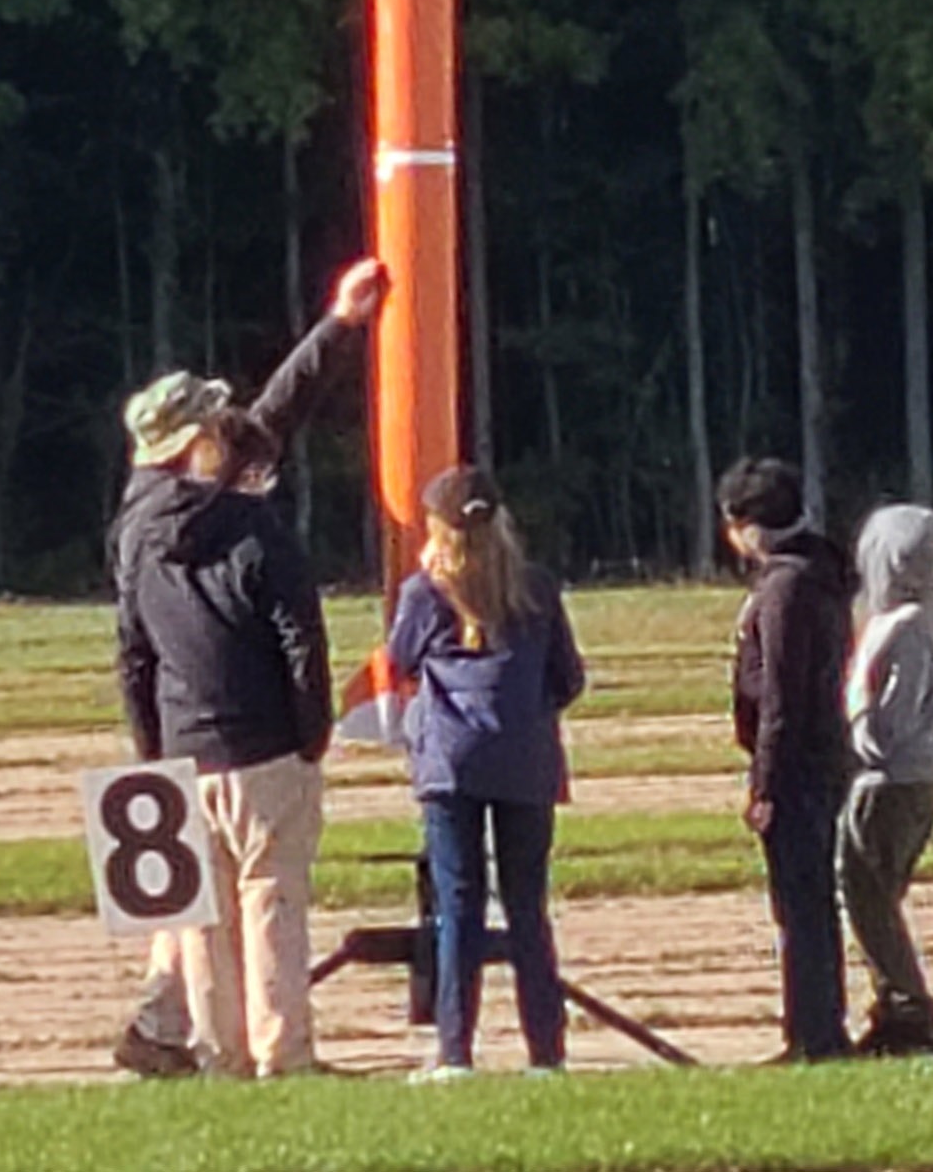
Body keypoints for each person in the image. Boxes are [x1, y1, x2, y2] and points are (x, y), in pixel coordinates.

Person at [109, 259, 387, 1079]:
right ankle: (284, 1056)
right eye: (216, 422)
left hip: (182, 749)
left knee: (200, 920)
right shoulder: (249, 521)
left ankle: (215, 1051)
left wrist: (150, 752)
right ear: (198, 440)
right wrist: (313, 733)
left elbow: (132, 652)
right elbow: (301, 632)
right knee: (273, 905)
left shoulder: (133, 528)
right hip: (264, 747)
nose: (232, 428)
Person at [385, 465, 586, 1079]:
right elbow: (569, 678)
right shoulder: (536, 588)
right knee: (528, 907)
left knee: (458, 905)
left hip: (451, 764)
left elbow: (397, 660)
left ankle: (455, 1051)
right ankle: (546, 1052)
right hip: (525, 761)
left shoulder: (427, 592)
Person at [717, 456, 858, 1064]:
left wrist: (764, 784)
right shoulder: (817, 569)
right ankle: (812, 1027)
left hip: (798, 766)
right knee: (807, 901)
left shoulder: (785, 586)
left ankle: (815, 1034)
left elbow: (780, 694)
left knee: (801, 904)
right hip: (820, 758)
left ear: (747, 526)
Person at [838, 502, 933, 1058]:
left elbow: (890, 724)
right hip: (927, 768)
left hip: (894, 777)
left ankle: (910, 1010)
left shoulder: (906, 628)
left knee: (867, 894)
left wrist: (849, 740)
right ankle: (898, 1007)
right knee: (877, 893)